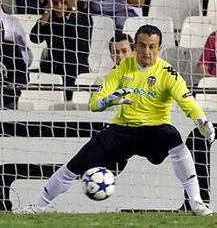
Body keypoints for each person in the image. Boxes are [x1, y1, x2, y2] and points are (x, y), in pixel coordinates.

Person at [17, 25, 215, 216]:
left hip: (154, 131)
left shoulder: (167, 73)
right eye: (142, 45)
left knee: (173, 137)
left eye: (152, 46)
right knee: (75, 165)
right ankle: (38, 205)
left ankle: (196, 202)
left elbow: (186, 100)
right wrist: (108, 101)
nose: (147, 51)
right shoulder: (122, 68)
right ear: (135, 46)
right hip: (122, 129)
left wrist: (200, 120)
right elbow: (95, 103)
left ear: (159, 48)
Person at [30, 0, 91, 100]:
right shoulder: (50, 18)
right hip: (56, 68)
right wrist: (47, 10)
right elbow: (35, 37)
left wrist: (73, 7)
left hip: (77, 69)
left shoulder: (82, 17)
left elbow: (79, 36)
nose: (58, 6)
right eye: (55, 2)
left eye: (63, 2)